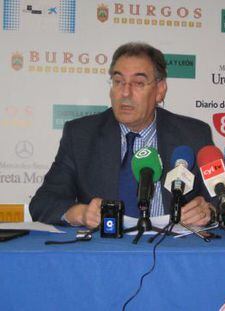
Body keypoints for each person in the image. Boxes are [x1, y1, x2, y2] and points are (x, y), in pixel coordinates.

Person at [30, 42, 214, 228]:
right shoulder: (81, 136)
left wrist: (209, 212)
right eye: (118, 82)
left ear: (160, 90)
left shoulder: (193, 135)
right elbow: (43, 203)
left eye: (139, 83)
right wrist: (80, 213)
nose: (125, 93)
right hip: (106, 251)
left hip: (171, 250)